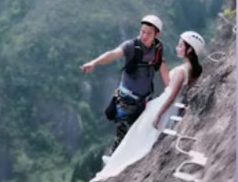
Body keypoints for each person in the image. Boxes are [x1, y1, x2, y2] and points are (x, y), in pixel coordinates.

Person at [90, 30, 205, 181]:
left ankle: (117, 162)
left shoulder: (181, 71)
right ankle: (117, 160)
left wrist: (158, 114)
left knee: (137, 134)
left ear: (189, 49)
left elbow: (171, 95)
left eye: (180, 45)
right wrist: (162, 65)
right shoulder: (194, 70)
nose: (177, 48)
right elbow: (179, 90)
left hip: (164, 106)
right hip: (173, 108)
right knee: (140, 134)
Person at [80, 15, 169, 154]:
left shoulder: (157, 49)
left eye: (148, 33)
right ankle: (112, 166)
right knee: (123, 137)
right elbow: (113, 54)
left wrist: (170, 89)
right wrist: (94, 62)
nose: (144, 36)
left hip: (144, 101)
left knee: (138, 135)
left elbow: (162, 67)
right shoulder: (131, 46)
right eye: (142, 31)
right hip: (126, 101)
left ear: (157, 35)